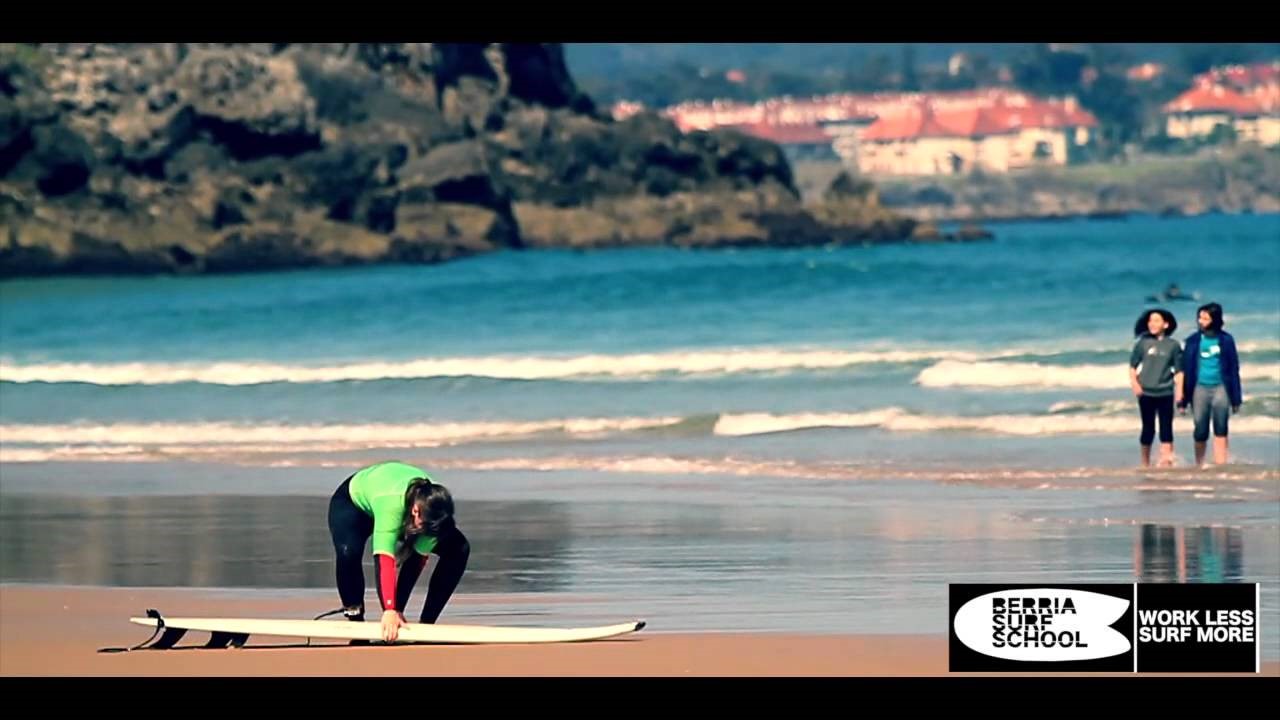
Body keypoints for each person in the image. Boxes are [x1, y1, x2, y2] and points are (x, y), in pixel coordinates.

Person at [327, 461, 470, 642]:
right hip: (353, 504)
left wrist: (398, 609)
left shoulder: (436, 510)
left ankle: (427, 624)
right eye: (426, 528)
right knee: (349, 552)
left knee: (459, 549)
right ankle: (356, 622)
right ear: (415, 511)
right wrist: (389, 610)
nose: (429, 533)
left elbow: (415, 562)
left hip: (401, 509)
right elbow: (384, 560)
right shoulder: (392, 505)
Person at [1178, 302, 1243, 466]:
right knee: (1200, 428)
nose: (1201, 321)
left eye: (1205, 318)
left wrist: (1236, 399)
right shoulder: (1193, 341)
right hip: (1199, 388)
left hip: (1221, 387)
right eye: (1200, 317)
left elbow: (1234, 369)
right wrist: (1183, 400)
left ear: (1215, 319)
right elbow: (1185, 369)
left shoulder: (1226, 340)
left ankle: (1221, 464)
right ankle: (1200, 464)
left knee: (1221, 427)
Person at [1129, 308, 1184, 467]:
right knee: (1148, 429)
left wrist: (1180, 391)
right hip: (1146, 392)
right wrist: (1135, 384)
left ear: (1166, 324)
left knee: (1166, 428)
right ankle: (1145, 463)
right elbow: (1133, 366)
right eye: (1150, 321)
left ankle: (1166, 462)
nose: (1152, 324)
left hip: (1165, 391)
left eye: (1156, 321)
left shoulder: (1173, 345)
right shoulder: (1142, 343)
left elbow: (1179, 371)